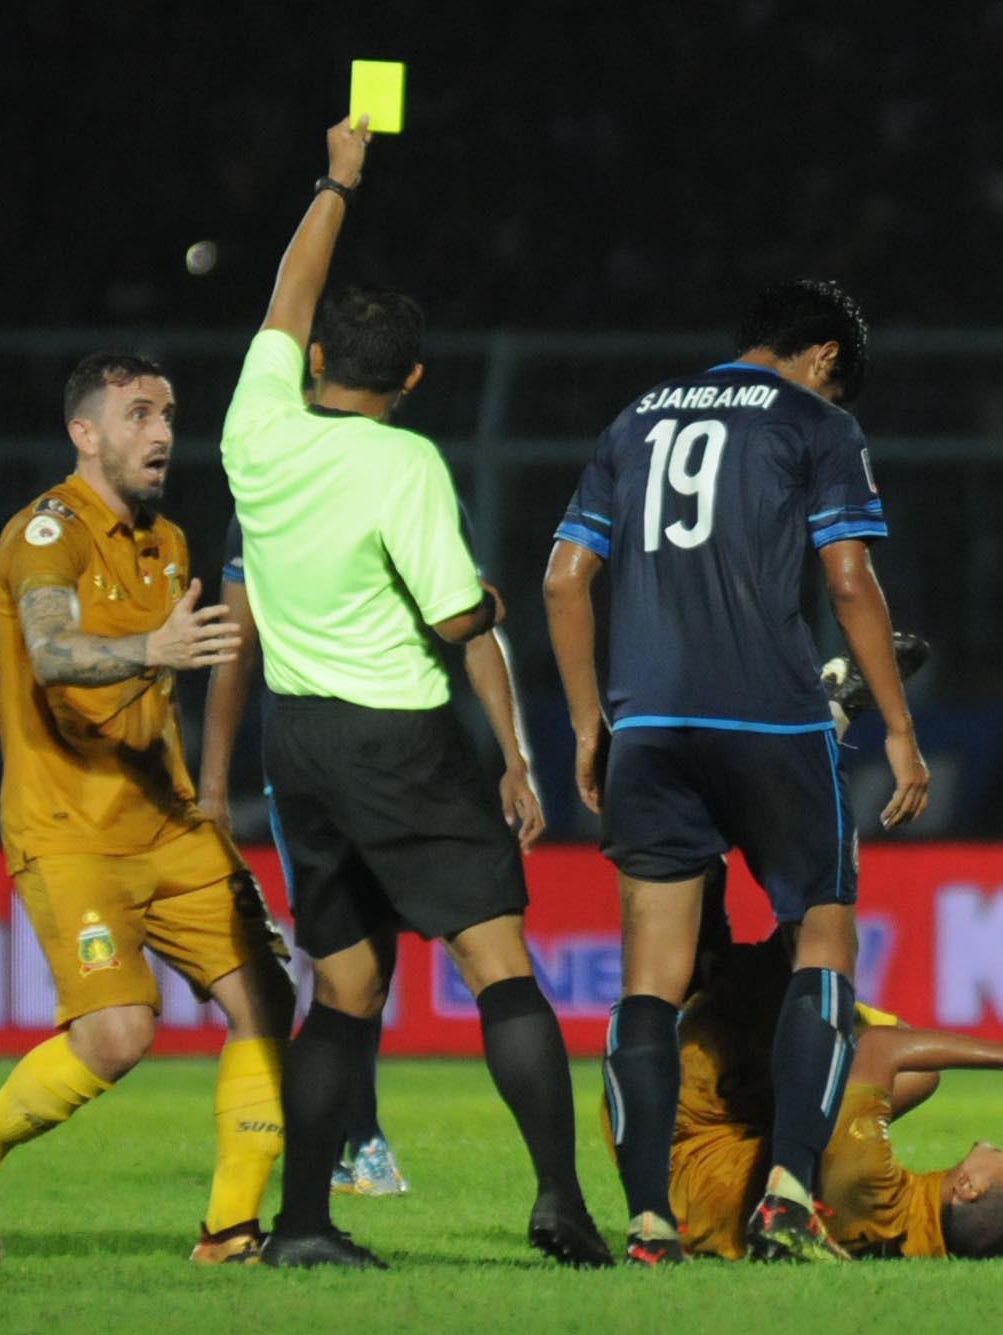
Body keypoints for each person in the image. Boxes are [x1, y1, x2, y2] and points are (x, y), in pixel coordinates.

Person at [219, 116, 608, 1271]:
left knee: (342, 987)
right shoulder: (406, 464)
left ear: (311, 363)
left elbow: (290, 292)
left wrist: (339, 177)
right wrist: (513, 745)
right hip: (400, 738)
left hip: (300, 746)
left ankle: (300, 1228)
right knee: (497, 964)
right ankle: (560, 1207)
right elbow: (454, 622)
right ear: (416, 380)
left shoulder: (258, 426)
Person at [544, 277, 931, 1264]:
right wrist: (895, 727)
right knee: (823, 943)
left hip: (648, 727)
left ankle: (644, 1222)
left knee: (651, 978)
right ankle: (790, 1199)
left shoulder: (636, 418)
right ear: (823, 360)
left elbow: (562, 578)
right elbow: (847, 577)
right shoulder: (814, 422)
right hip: (770, 717)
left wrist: (590, 724)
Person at [0, 352, 296, 1268]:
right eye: (137, 415)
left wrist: (205, 795)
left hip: (165, 823)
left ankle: (230, 1229)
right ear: (83, 434)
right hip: (70, 832)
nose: (162, 432)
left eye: (167, 413)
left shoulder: (166, 542)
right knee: (119, 1036)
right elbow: (50, 652)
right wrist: (151, 646)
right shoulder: (44, 535)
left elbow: (168, 684)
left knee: (266, 999)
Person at [198, 511, 550, 1197]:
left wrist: (515, 757)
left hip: (381, 756)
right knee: (358, 967)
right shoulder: (287, 500)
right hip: (344, 761)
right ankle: (355, 1142)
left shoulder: (375, 488)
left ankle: (346, 1155)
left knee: (378, 969)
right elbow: (237, 646)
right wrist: (211, 784)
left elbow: (475, 627)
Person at [613, 939, 1003, 1263]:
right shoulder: (900, 1228)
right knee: (919, 1072)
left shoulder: (867, 1181)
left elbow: (875, 1049)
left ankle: (703, 933)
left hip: (676, 1123)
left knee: (820, 964)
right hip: (715, 1164)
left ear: (970, 1189)